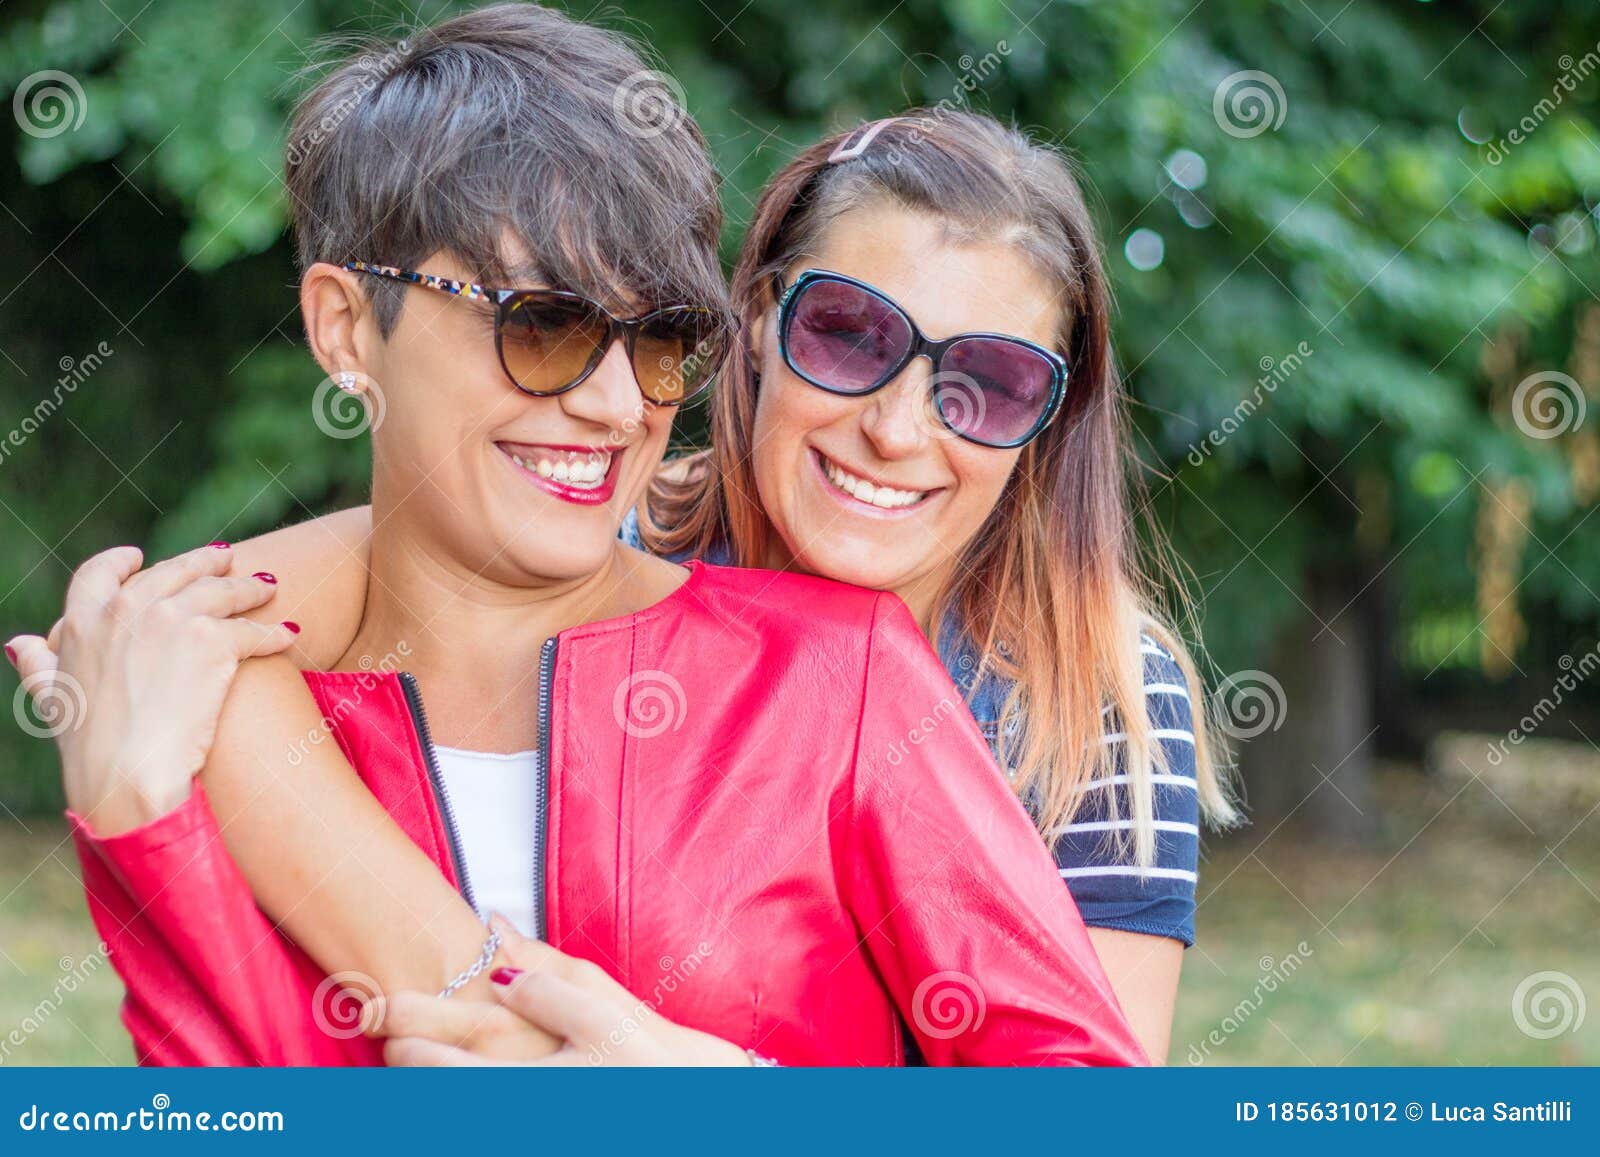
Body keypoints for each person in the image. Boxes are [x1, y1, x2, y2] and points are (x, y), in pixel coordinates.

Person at [8, 3, 1145, 1068]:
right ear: (347, 327)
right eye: (543, 325)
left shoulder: (839, 673)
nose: (616, 406)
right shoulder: (212, 699)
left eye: (657, 341)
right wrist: (138, 816)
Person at [193, 111, 1239, 1062]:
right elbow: (253, 608)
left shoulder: (1094, 689)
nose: (898, 427)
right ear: (754, 321)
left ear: (1047, 420)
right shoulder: (614, 536)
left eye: (992, 383)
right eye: (848, 334)